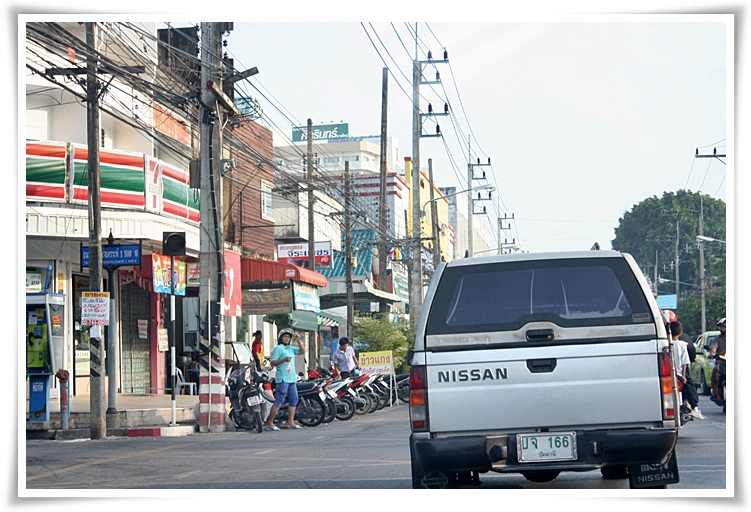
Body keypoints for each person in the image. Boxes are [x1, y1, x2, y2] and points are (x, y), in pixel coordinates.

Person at [262, 328, 304, 431]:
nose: (286, 339)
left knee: (294, 399)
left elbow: (302, 351)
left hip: (291, 378)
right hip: (283, 378)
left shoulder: (290, 348)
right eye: (285, 337)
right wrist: (284, 360)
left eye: (288, 337)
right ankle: (269, 422)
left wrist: (298, 340)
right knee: (280, 400)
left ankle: (290, 422)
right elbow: (273, 362)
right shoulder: (278, 348)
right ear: (281, 338)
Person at [670, 320, 704, 419]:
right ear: (680, 332)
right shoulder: (683, 344)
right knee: (690, 385)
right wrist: (684, 376)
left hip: (667, 373)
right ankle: (695, 407)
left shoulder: (664, 343)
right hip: (680, 374)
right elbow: (685, 362)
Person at [710, 317, 727, 406]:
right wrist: (712, 353)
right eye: (720, 327)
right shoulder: (717, 338)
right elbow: (714, 347)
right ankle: (715, 392)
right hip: (721, 361)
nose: (721, 329)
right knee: (715, 373)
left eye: (723, 327)